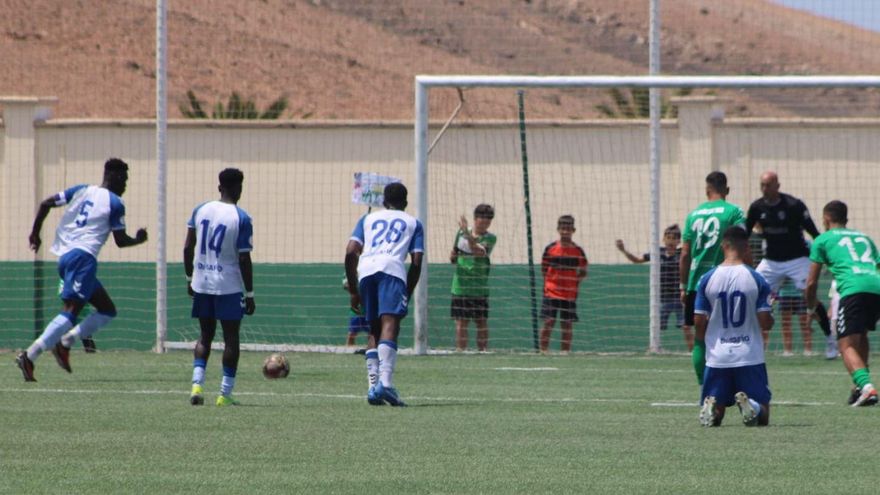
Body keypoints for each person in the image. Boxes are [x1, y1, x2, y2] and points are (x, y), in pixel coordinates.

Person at [16, 158, 148, 381]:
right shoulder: (115, 203)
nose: (126, 184)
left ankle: (65, 343)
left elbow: (46, 203)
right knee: (71, 310)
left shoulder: (81, 190)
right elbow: (121, 240)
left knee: (107, 309)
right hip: (83, 258)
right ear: (114, 177)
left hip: (66, 257)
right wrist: (139, 239)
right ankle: (30, 356)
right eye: (124, 179)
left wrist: (35, 233)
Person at [345, 182, 424, 406]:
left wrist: (353, 289)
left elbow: (351, 250)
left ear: (383, 202)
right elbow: (416, 262)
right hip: (392, 271)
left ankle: (372, 388)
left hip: (366, 270)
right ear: (406, 203)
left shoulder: (367, 219)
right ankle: (386, 385)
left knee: (374, 328)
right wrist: (407, 292)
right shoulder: (414, 223)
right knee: (390, 325)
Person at [746, 171, 836, 359]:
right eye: (762, 185)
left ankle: (830, 340)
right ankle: (749, 344)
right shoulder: (756, 207)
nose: (765, 189)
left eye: (768, 185)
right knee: (751, 293)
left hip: (798, 259)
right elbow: (745, 235)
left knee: (810, 298)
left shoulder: (794, 205)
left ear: (777, 186)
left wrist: (828, 256)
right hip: (771, 261)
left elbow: (814, 232)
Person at [184, 168, 255, 406]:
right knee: (231, 338)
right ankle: (224, 395)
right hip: (228, 285)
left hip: (202, 281)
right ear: (240, 188)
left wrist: (189, 278)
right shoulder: (241, 218)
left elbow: (187, 248)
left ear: (219, 187)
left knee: (205, 336)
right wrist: (250, 293)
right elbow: (244, 258)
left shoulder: (200, 210)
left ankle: (196, 386)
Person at [693, 226, 774, 427]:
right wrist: (771, 317)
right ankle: (752, 407)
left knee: (718, 409)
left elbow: (699, 321)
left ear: (723, 246)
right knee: (763, 416)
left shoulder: (706, 279)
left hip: (717, 356)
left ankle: (712, 409)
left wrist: (707, 343)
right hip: (749, 355)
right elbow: (765, 323)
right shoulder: (756, 279)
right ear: (746, 247)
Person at [805, 200, 880, 407]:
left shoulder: (823, 239)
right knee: (862, 334)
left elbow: (811, 282)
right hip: (876, 286)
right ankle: (859, 388)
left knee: (845, 344)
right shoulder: (864, 237)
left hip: (853, 289)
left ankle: (866, 388)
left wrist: (811, 307)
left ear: (826, 218)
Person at [680, 171, 746, 340]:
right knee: (727, 333)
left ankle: (702, 367)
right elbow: (742, 244)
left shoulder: (692, 215)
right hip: (725, 280)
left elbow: (685, 254)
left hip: (696, 282)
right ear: (727, 190)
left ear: (707, 190)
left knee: (700, 337)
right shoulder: (734, 212)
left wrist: (683, 286)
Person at [615, 224, 691, 350]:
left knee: (686, 326)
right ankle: (654, 347)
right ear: (663, 239)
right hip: (662, 298)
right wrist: (623, 250)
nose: (671, 241)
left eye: (674, 238)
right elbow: (637, 260)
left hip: (680, 298)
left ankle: (692, 352)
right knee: (656, 326)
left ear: (679, 241)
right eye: (668, 237)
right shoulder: (657, 253)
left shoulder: (682, 253)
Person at [450, 204, 496, 352]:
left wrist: (467, 234)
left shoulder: (490, 238)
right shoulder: (461, 233)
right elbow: (453, 255)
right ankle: (460, 351)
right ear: (475, 219)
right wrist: (454, 256)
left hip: (479, 288)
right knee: (461, 322)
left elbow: (478, 252)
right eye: (482, 221)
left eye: (488, 222)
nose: (484, 224)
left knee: (481, 321)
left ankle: (483, 351)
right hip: (460, 286)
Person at [539, 215, 588, 354]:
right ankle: (543, 351)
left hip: (569, 294)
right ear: (558, 230)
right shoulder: (550, 248)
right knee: (549, 322)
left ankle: (564, 352)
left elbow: (583, 271)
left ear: (574, 230)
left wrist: (575, 282)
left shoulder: (578, 251)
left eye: (568, 229)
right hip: (551, 292)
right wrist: (549, 282)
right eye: (563, 229)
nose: (565, 232)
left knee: (567, 324)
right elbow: (544, 269)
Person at [773, 280, 813, 356]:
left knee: (805, 324)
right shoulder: (781, 267)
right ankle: (787, 351)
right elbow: (778, 282)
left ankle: (808, 351)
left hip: (800, 295)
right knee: (786, 324)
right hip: (784, 295)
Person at [343, 277, 369, 349]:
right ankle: (348, 351)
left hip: (369, 310)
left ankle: (372, 352)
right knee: (351, 334)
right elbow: (346, 285)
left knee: (372, 334)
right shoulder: (350, 271)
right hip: (356, 313)